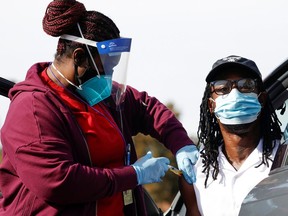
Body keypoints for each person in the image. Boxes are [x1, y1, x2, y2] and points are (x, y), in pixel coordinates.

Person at [0, 0, 199, 215]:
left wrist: (181, 144)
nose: (110, 77)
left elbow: (147, 108)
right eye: (107, 68)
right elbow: (59, 181)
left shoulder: (95, 94)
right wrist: (134, 175)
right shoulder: (32, 109)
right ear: (79, 57)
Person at [180, 55, 282, 216]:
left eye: (246, 86)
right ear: (211, 105)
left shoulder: (283, 158)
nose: (235, 94)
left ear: (261, 99)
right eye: (222, 88)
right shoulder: (195, 171)